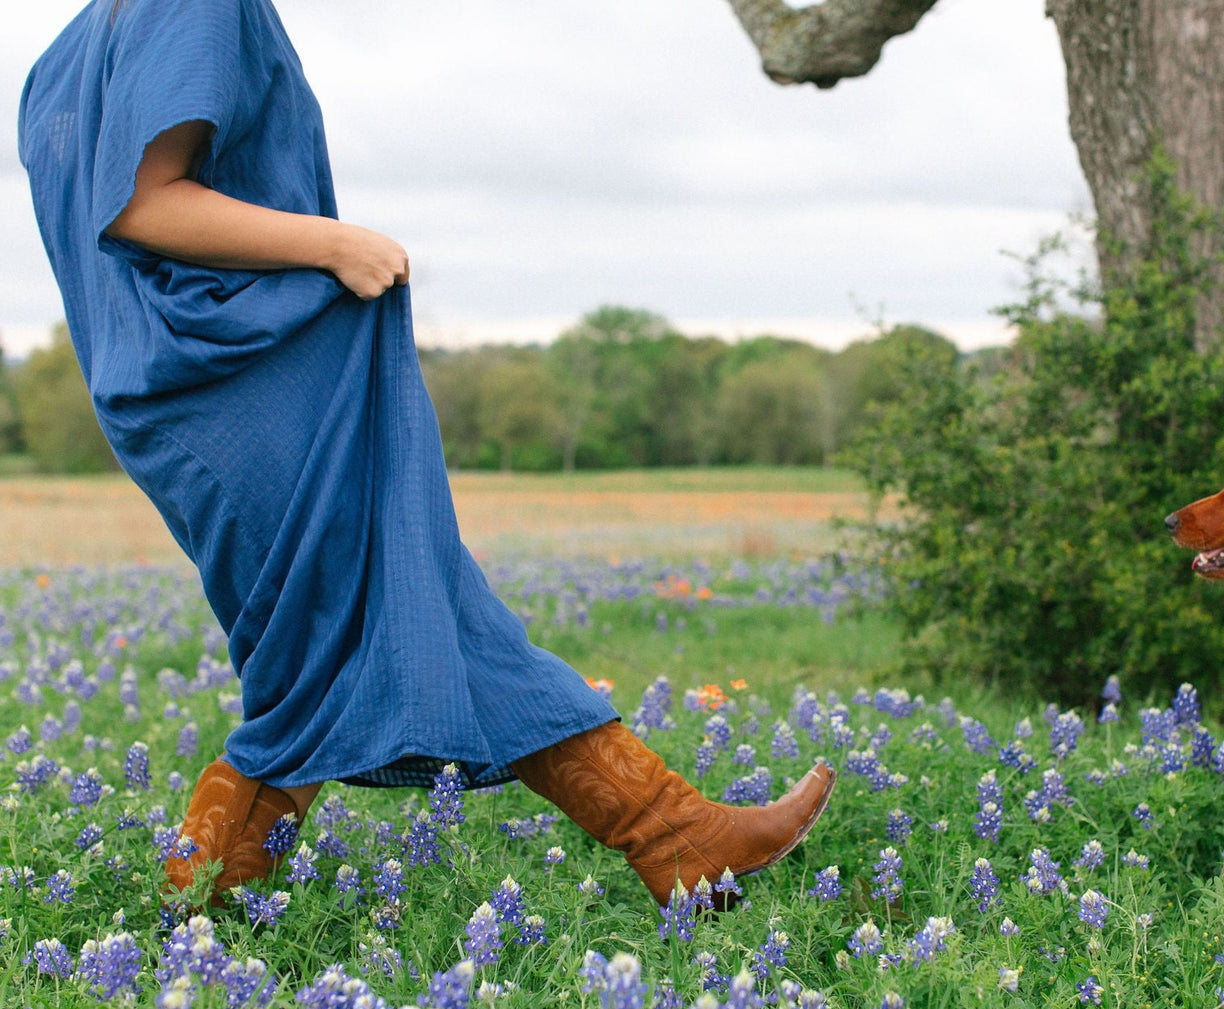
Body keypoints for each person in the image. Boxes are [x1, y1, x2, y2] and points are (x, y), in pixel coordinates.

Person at [18, 0, 834, 908]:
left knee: (379, 617)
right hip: (244, 389)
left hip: (175, 395)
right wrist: (336, 242)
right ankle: (197, 905)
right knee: (329, 640)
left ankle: (676, 835)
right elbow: (141, 202)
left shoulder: (71, 48)